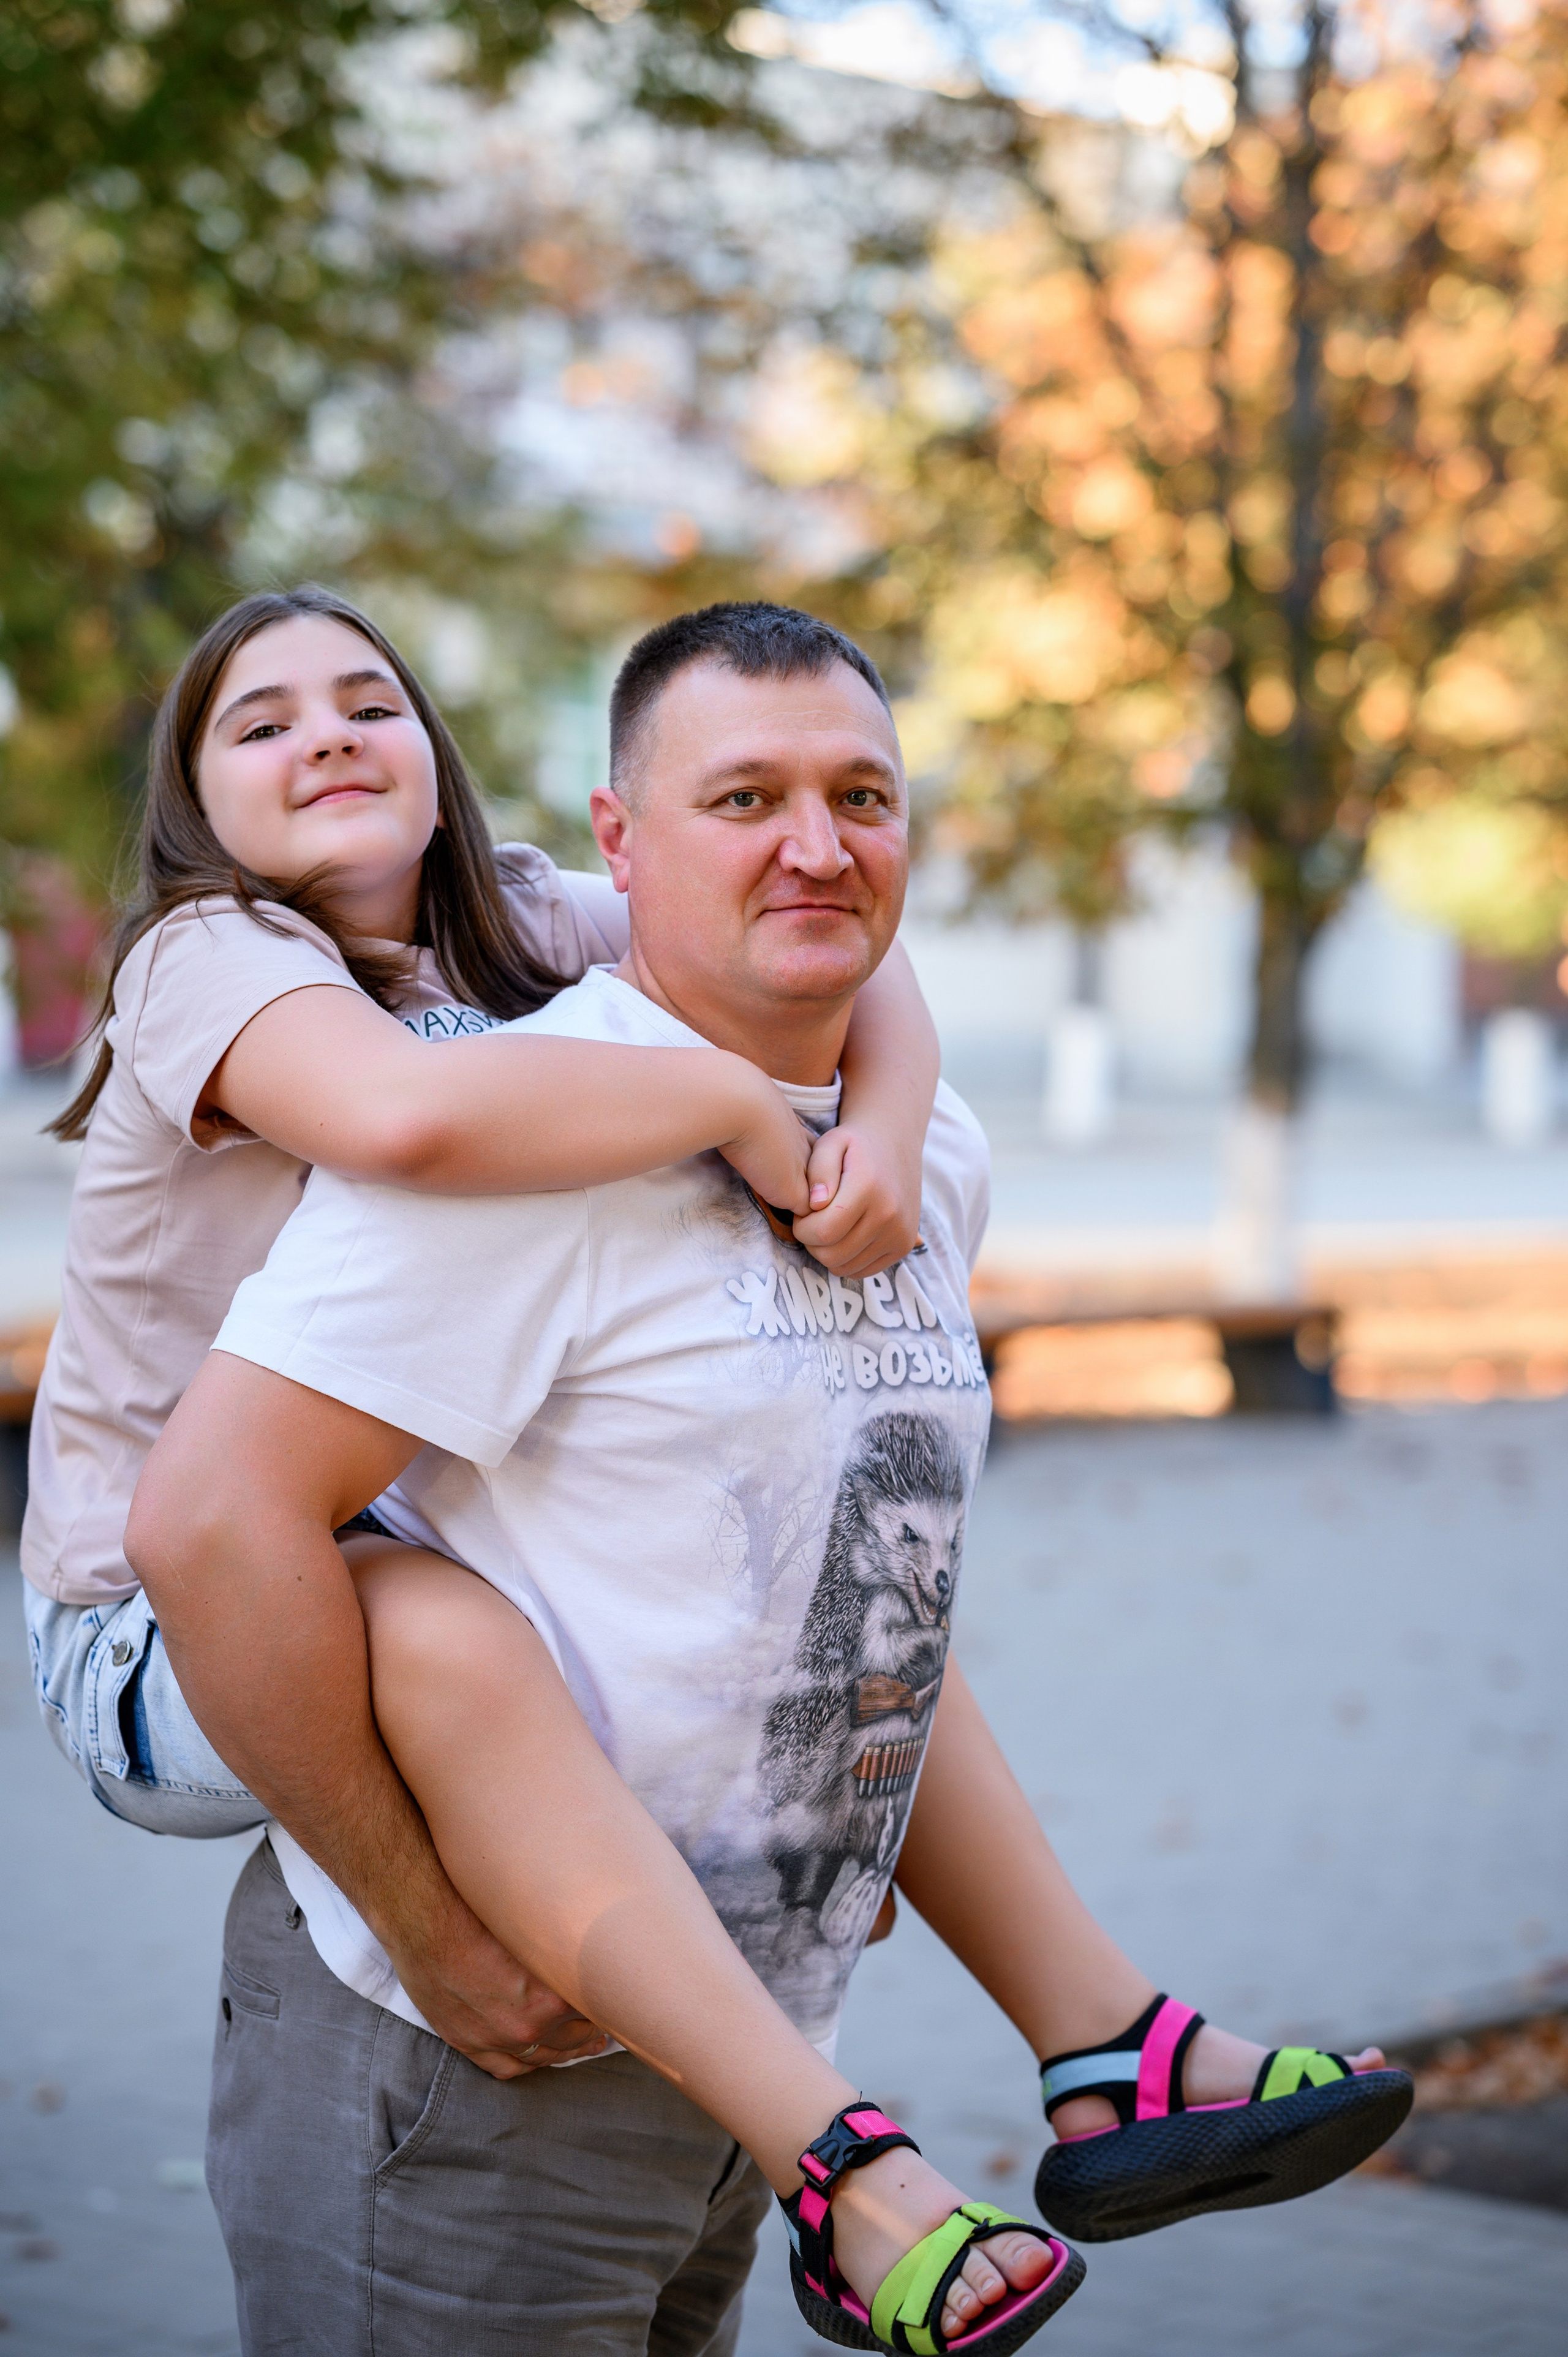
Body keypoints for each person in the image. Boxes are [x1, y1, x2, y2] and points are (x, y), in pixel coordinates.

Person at [129, 603, 1411, 2357]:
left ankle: (1102, 2046)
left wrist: (837, 1809)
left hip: (766, 2071)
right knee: (415, 1618)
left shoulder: (919, 1150)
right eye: (744, 799)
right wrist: (433, 1936)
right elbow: (204, 1523)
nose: (817, 845)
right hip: (475, 2076)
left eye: (863, 797)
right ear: (619, 842)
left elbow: (819, 1571)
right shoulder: (513, 1147)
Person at [22, 583, 937, 1890]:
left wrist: (889, 1130)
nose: (329, 737)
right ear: (198, 810)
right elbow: (400, 1116)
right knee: (450, 1623)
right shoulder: (202, 953)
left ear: (437, 780)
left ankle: (1012, 1980)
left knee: (768, 1562)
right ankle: (467, 1937)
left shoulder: (509, 915)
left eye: (369, 707)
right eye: (263, 727)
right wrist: (735, 1101)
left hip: (360, 1516)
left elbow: (821, 922)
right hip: (155, 1614)